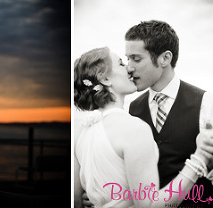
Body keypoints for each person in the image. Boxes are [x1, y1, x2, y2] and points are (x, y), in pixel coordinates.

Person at [72, 47, 213, 208]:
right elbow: (150, 205)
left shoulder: (80, 131)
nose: (129, 68)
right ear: (105, 79)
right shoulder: (134, 129)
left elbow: (75, 201)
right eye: (121, 63)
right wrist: (200, 157)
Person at [124, 20, 213, 206]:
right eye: (127, 59)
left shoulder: (206, 102)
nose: (129, 68)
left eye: (136, 59)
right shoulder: (132, 109)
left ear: (165, 58)